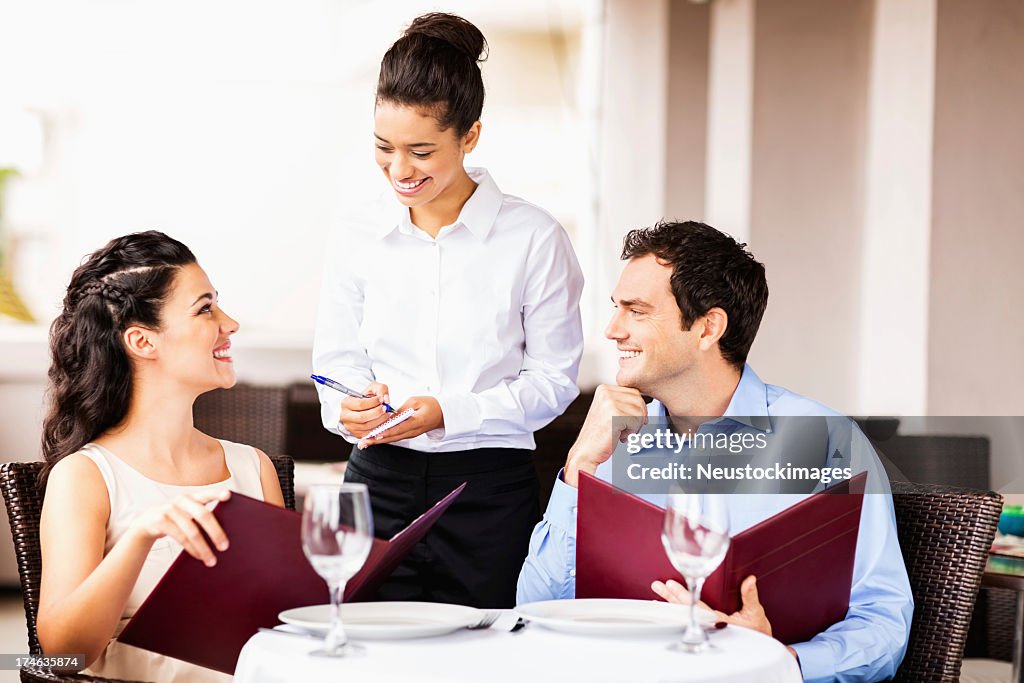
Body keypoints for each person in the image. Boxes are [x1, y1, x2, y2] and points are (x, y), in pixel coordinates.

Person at [517, 221, 913, 683]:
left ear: (708, 327)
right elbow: (535, 608)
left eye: (636, 311)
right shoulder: (617, 442)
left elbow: (882, 624)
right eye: (616, 309)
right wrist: (579, 466)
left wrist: (781, 660)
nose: (611, 329)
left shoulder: (825, 441)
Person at [312, 12, 584, 609]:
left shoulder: (534, 238)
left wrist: (449, 413)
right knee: (360, 652)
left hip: (487, 491)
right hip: (375, 484)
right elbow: (335, 360)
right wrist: (347, 407)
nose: (400, 170)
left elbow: (554, 383)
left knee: (487, 654)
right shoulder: (355, 232)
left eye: (421, 151)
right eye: (384, 148)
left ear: (470, 136)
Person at [36, 231, 285, 682]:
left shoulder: (253, 467)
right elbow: (60, 657)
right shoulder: (85, 476)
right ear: (143, 342)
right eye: (205, 308)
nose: (230, 323)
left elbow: (287, 623)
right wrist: (141, 535)